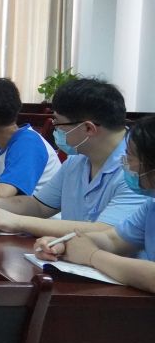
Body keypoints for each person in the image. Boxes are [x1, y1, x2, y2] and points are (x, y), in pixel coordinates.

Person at [0, 78, 145, 237]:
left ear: (88, 129)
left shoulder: (139, 169)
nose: (56, 130)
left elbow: (107, 231)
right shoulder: (76, 161)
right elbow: (39, 206)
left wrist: (18, 222)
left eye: (58, 123)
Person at [35, 115, 155, 293]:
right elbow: (114, 239)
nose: (125, 164)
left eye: (130, 158)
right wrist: (64, 244)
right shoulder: (151, 206)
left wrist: (92, 256)